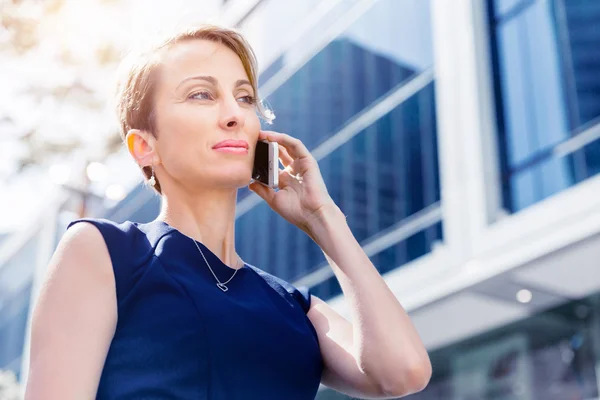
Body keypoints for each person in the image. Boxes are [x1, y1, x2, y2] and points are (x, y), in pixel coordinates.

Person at [24, 25, 431, 399]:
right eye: (201, 94)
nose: (234, 114)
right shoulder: (105, 252)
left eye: (245, 97)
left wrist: (323, 220)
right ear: (144, 147)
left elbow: (403, 372)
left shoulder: (293, 306)